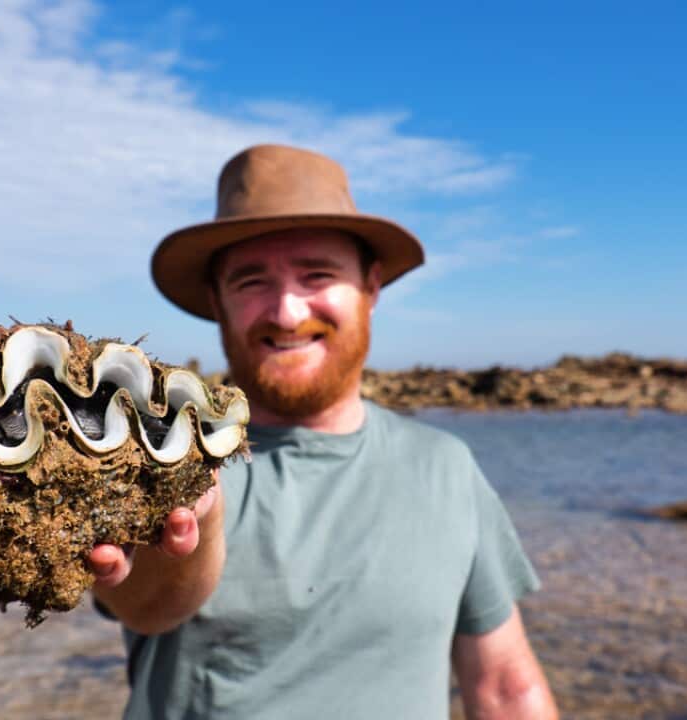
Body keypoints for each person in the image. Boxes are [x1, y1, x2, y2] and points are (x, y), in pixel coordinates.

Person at [87, 144, 559, 719]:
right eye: (252, 281)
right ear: (218, 302)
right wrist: (196, 523)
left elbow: (505, 686)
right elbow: (147, 608)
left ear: (371, 287)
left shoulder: (446, 467)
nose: (287, 312)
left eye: (317, 274)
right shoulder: (158, 460)